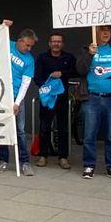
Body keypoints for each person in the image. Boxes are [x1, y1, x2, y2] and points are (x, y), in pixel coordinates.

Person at [79, 24, 111, 180]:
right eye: (103, 30)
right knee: (89, 134)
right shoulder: (87, 49)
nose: (106, 33)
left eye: (109, 30)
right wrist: (90, 55)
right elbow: (80, 70)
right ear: (96, 31)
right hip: (92, 97)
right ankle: (89, 165)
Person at [0, 24, 37, 176]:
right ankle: (3, 160)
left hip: (15, 95)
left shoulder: (29, 60)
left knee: (20, 130)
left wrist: (17, 103)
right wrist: (3, 25)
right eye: (27, 45)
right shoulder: (8, 44)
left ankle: (25, 162)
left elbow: (26, 83)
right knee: (1, 128)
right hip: (0, 94)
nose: (29, 49)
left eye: (31, 46)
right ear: (19, 41)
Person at [32, 32, 77, 169]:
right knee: (45, 126)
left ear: (62, 44)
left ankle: (63, 157)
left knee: (63, 127)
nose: (56, 44)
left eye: (59, 41)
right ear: (49, 43)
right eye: (54, 41)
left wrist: (62, 74)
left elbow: (76, 72)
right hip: (47, 97)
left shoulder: (69, 57)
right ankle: (43, 155)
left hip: (62, 97)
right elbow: (37, 77)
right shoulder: (41, 58)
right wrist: (46, 86)